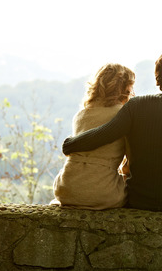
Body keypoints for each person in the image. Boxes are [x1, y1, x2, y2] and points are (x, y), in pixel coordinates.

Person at [62, 50, 162, 213]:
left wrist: (70, 145)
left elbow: (104, 134)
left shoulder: (136, 106)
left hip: (139, 199)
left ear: (157, 79)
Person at [52, 63, 135, 209]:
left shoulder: (80, 115)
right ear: (124, 88)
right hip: (102, 193)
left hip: (66, 188)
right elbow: (131, 160)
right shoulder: (123, 115)